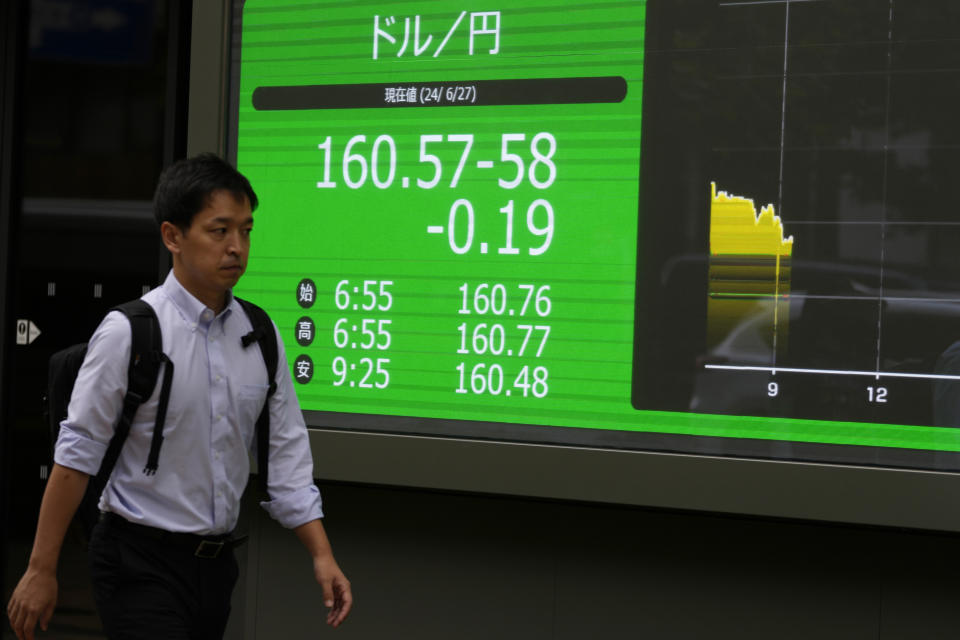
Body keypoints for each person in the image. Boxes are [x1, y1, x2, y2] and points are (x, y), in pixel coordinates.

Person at [6, 153, 352, 639]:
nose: (237, 247)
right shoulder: (129, 333)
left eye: (246, 231)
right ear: (173, 236)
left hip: (216, 568)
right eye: (220, 231)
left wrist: (322, 556)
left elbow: (287, 458)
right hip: (136, 562)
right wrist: (41, 569)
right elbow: (75, 456)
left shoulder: (261, 333)